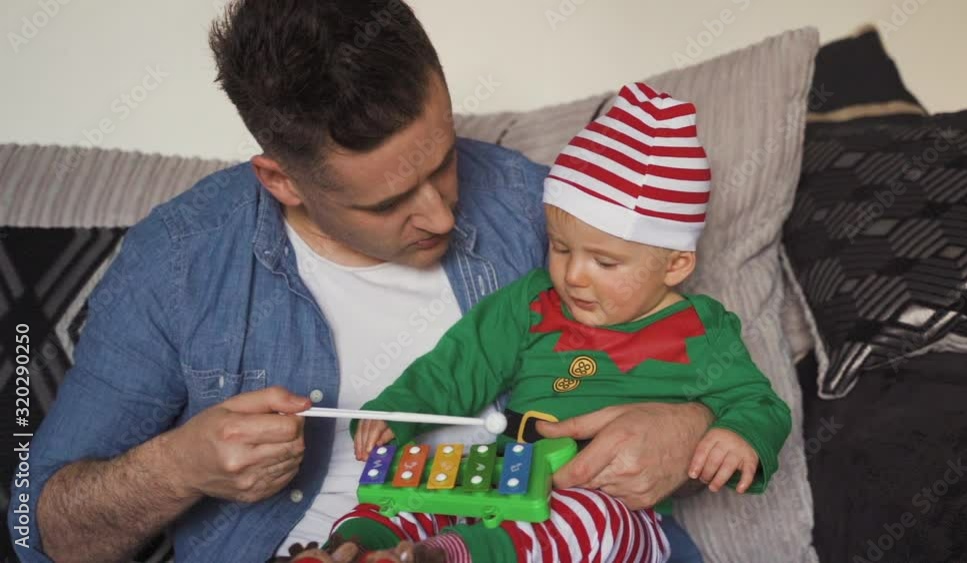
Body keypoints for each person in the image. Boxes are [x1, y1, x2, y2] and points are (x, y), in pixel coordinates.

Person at [9, 2, 714, 562]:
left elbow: (702, 356)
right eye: (386, 203)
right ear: (281, 180)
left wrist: (684, 425)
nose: (440, 212)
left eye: (442, 159)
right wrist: (178, 467)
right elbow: (36, 528)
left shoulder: (542, 209)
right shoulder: (177, 263)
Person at [285, 84, 792, 563]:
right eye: (561, 247)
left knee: (591, 518)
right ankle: (349, 548)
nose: (573, 275)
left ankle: (443, 555)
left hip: (613, 509)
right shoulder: (533, 302)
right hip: (511, 477)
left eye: (605, 263)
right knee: (408, 489)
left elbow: (758, 402)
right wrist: (396, 410)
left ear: (675, 266)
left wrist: (740, 434)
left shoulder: (702, 331)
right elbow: (461, 364)